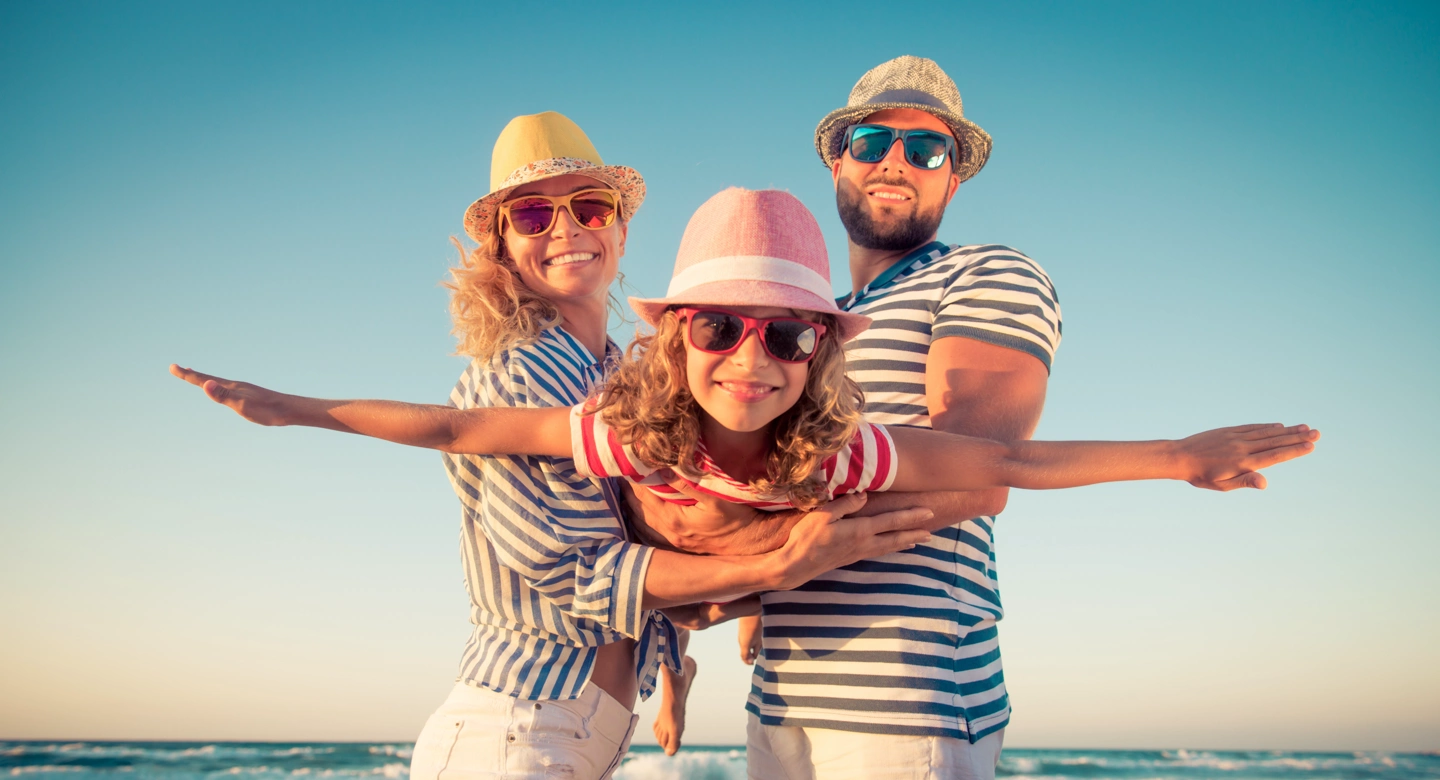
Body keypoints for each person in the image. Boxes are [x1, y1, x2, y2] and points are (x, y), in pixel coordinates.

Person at [175, 187, 1317, 768]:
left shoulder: (841, 451)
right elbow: (459, 427)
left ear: (820, 351)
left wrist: (1184, 459)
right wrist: (298, 409)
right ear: (676, 338)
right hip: (610, 630)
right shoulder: (632, 435)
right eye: (719, 327)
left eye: (786, 335)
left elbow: (1006, 460)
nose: (750, 360)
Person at [174, 114, 935, 780]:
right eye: (534, 215)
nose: (566, 230)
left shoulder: (624, 378)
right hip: (515, 726)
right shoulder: (512, 376)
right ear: (503, 247)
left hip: (577, 734)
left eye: (589, 207)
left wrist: (681, 666)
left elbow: (669, 525)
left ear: (621, 230)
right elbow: (580, 572)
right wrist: (773, 570)